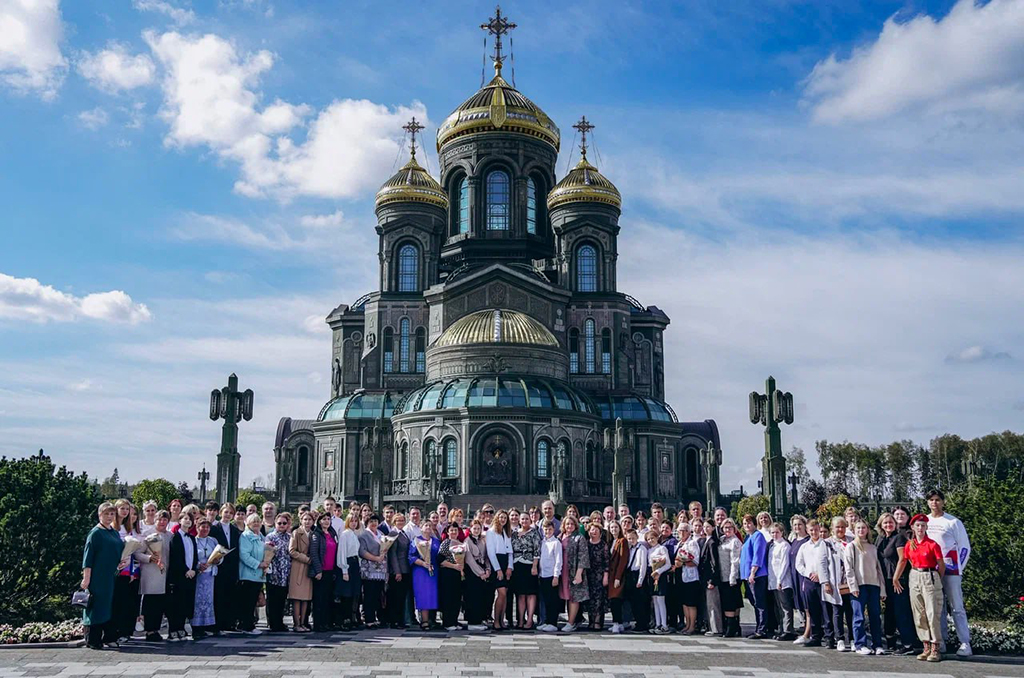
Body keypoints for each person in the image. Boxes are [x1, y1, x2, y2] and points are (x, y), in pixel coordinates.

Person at [925, 488, 972, 656]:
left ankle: (965, 642)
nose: (934, 503)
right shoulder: (925, 521)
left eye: (937, 499)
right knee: (937, 607)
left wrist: (959, 568)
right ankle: (940, 642)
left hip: (952, 571)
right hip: (932, 570)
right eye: (931, 500)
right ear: (927, 502)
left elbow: (964, 547)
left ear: (943, 502)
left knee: (957, 607)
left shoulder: (953, 522)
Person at [897, 513, 945, 662]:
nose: (920, 528)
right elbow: (905, 561)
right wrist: (896, 577)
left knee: (932, 612)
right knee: (919, 614)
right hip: (915, 575)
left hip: (929, 575)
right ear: (912, 527)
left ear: (926, 527)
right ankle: (926, 645)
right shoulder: (910, 545)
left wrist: (936, 578)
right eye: (917, 525)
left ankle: (935, 647)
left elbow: (941, 565)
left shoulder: (932, 544)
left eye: (923, 525)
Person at [81, 502, 125, 649]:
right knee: (97, 607)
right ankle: (93, 639)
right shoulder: (95, 533)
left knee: (111, 606)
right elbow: (88, 557)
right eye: (106, 514)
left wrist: (122, 563)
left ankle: (110, 637)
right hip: (98, 577)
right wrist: (86, 578)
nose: (109, 517)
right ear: (100, 515)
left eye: (112, 514)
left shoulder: (114, 532)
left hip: (112, 576)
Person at [875, 511, 918, 654]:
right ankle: (891, 642)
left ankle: (908, 644)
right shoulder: (880, 539)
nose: (888, 525)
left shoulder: (899, 537)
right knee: (889, 612)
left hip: (898, 581)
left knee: (901, 612)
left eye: (891, 522)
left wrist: (896, 578)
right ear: (881, 525)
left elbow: (903, 559)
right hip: (886, 580)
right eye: (885, 522)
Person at [844, 519, 886, 655]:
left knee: (875, 616)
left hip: (873, 585)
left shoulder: (873, 548)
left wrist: (882, 589)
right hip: (859, 586)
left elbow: (878, 569)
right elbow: (849, 568)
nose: (861, 530)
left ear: (868, 530)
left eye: (863, 528)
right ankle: (860, 644)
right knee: (859, 616)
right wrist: (853, 586)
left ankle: (877, 644)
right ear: (854, 530)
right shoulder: (851, 547)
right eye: (858, 528)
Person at [137, 509, 172, 642]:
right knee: (151, 603)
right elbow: (137, 553)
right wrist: (149, 558)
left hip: (165, 574)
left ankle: (156, 629)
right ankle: (150, 631)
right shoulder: (147, 534)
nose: (162, 522)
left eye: (165, 520)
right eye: (159, 519)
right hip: (151, 574)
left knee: (160, 604)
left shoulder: (170, 536)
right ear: (155, 520)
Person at [112, 500, 142, 642]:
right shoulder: (113, 528)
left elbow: (130, 552)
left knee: (126, 603)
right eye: (122, 508)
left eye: (127, 509)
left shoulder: (127, 528)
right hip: (115, 570)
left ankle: (124, 631)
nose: (125, 511)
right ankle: (115, 632)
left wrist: (131, 572)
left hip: (127, 570)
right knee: (117, 602)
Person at [794, 519, 827, 647]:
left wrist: (820, 575)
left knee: (826, 609)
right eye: (811, 530)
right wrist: (809, 574)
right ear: (807, 531)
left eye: (816, 530)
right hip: (809, 580)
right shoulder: (804, 546)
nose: (814, 532)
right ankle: (815, 636)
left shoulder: (825, 544)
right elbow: (799, 564)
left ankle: (829, 636)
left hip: (823, 580)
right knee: (812, 609)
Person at [167, 512, 198, 641]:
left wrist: (194, 569)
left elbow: (194, 556)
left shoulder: (192, 538)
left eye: (190, 519)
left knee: (186, 603)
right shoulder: (175, 537)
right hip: (179, 576)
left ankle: (181, 628)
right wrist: (185, 570)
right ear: (180, 521)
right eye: (185, 519)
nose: (188, 521)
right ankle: (173, 629)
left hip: (191, 575)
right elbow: (176, 557)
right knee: (176, 603)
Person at [210, 502, 241, 633]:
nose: (228, 515)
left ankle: (229, 623)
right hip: (219, 565)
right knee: (219, 595)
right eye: (226, 512)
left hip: (231, 566)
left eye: (230, 513)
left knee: (231, 594)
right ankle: (218, 623)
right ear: (221, 512)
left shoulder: (235, 530)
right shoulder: (214, 528)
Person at [822, 517, 850, 650]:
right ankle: (840, 639)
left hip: (850, 582)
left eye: (843, 527)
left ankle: (853, 639)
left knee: (851, 611)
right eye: (837, 527)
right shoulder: (827, 543)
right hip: (835, 582)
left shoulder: (851, 541)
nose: (840, 529)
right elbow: (822, 564)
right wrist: (826, 582)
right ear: (832, 529)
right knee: (837, 611)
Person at [739, 514, 770, 639]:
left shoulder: (758, 536)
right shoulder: (748, 537)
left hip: (756, 575)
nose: (747, 525)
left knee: (760, 603)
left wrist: (753, 572)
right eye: (744, 523)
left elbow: (758, 555)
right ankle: (758, 627)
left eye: (749, 523)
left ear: (754, 523)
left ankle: (762, 629)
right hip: (747, 576)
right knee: (754, 602)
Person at [237, 513, 267, 635]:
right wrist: (258, 564)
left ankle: (248, 624)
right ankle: (247, 626)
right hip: (248, 574)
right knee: (247, 602)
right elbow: (244, 555)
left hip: (258, 575)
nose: (256, 524)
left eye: (258, 521)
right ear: (248, 524)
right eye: (253, 522)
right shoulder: (245, 536)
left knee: (253, 601)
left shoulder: (261, 537)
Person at [559, 515, 590, 632]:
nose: (569, 526)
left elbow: (583, 556)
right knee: (567, 596)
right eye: (567, 524)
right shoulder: (559, 537)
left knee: (574, 597)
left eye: (572, 524)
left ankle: (571, 622)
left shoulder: (579, 538)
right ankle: (573, 620)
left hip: (573, 571)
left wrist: (579, 573)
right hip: (562, 570)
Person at [308, 511, 338, 632]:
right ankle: (318, 624)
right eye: (324, 519)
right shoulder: (316, 534)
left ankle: (327, 622)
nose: (326, 521)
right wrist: (318, 570)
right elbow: (314, 554)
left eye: (328, 519)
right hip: (321, 571)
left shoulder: (332, 533)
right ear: (319, 521)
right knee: (319, 599)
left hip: (330, 570)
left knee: (328, 598)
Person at [512, 511, 541, 629]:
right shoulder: (514, 533)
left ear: (530, 520)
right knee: (520, 595)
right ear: (519, 520)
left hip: (529, 565)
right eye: (522, 519)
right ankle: (520, 620)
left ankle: (529, 620)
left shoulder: (534, 533)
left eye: (526, 519)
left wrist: (534, 566)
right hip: (517, 566)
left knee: (531, 594)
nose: (524, 521)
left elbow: (537, 551)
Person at [409, 521, 441, 630]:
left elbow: (440, 555)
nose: (428, 527)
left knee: (433, 595)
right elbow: (411, 556)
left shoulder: (436, 541)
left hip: (434, 571)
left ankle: (433, 620)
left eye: (430, 525)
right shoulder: (416, 540)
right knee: (423, 595)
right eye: (426, 525)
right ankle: (424, 620)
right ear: (421, 528)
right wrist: (423, 563)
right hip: (421, 572)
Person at [767, 522, 796, 641]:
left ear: (782, 532)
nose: (775, 534)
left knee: (785, 606)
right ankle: (781, 628)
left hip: (783, 580)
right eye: (772, 532)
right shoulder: (772, 546)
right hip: (773, 580)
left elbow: (784, 564)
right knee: (778, 606)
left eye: (777, 532)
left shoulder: (784, 545)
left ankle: (788, 630)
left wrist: (780, 579)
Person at [265, 512, 292, 633]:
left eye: (284, 523)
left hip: (285, 573)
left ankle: (280, 622)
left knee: (282, 599)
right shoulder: (270, 537)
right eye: (279, 523)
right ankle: (272, 623)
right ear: (275, 524)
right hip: (274, 572)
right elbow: (267, 554)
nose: (281, 525)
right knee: (272, 599)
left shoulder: (289, 537)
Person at [358, 514, 388, 628]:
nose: (374, 523)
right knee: (369, 595)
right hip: (369, 570)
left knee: (379, 595)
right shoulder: (363, 535)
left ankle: (379, 618)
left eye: (375, 521)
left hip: (381, 570)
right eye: (371, 521)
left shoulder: (381, 534)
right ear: (367, 523)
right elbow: (362, 551)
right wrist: (376, 558)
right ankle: (369, 619)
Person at [192, 517, 219, 640]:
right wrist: (198, 565)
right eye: (203, 527)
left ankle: (207, 626)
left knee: (208, 601)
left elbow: (219, 554)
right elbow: (191, 556)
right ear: (197, 528)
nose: (205, 529)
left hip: (210, 574)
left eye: (207, 527)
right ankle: (196, 627)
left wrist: (218, 560)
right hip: (199, 574)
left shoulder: (213, 540)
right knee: (198, 601)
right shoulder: (194, 541)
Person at [487, 509, 514, 630]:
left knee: (505, 594)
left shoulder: (506, 532)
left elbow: (510, 552)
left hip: (505, 563)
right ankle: (496, 620)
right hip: (496, 564)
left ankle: (502, 620)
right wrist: (497, 569)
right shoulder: (491, 532)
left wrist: (510, 567)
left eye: (505, 518)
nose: (503, 520)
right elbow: (491, 553)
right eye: (501, 517)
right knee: (501, 593)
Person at [288, 511, 314, 632]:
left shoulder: (313, 534)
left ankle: (303, 622)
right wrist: (306, 559)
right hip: (298, 566)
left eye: (309, 519)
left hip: (309, 568)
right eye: (305, 519)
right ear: (301, 520)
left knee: (306, 597)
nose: (307, 522)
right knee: (297, 597)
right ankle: (296, 624)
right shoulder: (296, 533)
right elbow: (292, 551)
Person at [336, 512, 363, 630]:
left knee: (354, 593)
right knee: (346, 594)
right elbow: (342, 553)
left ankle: (352, 618)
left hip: (355, 564)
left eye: (356, 521)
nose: (354, 523)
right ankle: (345, 619)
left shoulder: (354, 534)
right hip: (347, 564)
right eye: (351, 521)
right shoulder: (345, 534)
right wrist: (344, 570)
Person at [536, 518, 563, 632]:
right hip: (543, 574)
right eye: (545, 529)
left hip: (552, 575)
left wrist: (556, 575)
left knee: (553, 600)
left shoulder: (556, 543)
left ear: (554, 530)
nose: (547, 531)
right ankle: (546, 621)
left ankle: (553, 623)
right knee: (546, 600)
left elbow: (558, 560)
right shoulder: (542, 542)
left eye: (550, 529)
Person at [463, 518, 491, 631]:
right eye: (474, 528)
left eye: (478, 528)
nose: (476, 530)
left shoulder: (482, 541)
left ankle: (479, 620)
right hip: (473, 572)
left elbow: (486, 556)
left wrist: (488, 569)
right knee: (473, 597)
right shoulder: (467, 541)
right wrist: (480, 573)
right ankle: (472, 621)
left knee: (480, 597)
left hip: (483, 569)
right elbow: (469, 560)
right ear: (470, 529)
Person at [386, 512, 412, 629]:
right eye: (398, 520)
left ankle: (401, 620)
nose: (401, 522)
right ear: (394, 522)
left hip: (406, 568)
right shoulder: (393, 533)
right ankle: (394, 621)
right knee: (396, 597)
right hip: (398, 570)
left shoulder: (403, 533)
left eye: (402, 520)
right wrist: (397, 571)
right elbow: (392, 554)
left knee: (402, 597)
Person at [787, 515, 811, 644]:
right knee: (801, 604)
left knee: (807, 604)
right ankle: (806, 629)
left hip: (804, 576)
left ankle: (808, 632)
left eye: (799, 524)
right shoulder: (794, 541)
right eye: (795, 525)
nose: (797, 527)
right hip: (795, 576)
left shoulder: (808, 540)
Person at [717, 518, 743, 637]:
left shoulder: (735, 542)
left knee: (730, 602)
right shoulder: (722, 540)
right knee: (730, 601)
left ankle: (731, 628)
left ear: (734, 528)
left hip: (731, 576)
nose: (727, 530)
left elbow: (735, 561)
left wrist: (732, 577)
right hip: (722, 575)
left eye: (730, 527)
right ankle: (735, 627)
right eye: (725, 527)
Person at [674, 522, 700, 634]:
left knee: (691, 603)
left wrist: (683, 562)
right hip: (681, 577)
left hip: (691, 577)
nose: (682, 532)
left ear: (689, 532)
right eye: (680, 530)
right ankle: (687, 624)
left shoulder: (692, 543)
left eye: (685, 530)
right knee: (684, 603)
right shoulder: (679, 544)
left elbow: (695, 561)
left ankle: (692, 626)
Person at [438, 523, 465, 631]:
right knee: (448, 598)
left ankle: (454, 620)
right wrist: (454, 566)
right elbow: (440, 560)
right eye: (451, 530)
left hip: (457, 574)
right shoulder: (446, 543)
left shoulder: (460, 543)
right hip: (448, 573)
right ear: (448, 532)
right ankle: (447, 622)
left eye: (455, 530)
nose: (454, 532)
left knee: (456, 598)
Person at [584, 521, 609, 631]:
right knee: (590, 599)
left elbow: (606, 562)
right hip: (588, 574)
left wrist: (606, 575)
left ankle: (598, 622)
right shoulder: (586, 543)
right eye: (591, 530)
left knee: (599, 598)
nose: (593, 532)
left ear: (600, 532)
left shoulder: (603, 545)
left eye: (596, 530)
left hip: (600, 574)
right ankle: (591, 621)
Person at [699, 519, 722, 636]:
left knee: (713, 604)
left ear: (713, 528)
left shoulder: (712, 542)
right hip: (705, 577)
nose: (705, 529)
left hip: (710, 578)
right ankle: (712, 627)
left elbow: (714, 562)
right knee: (709, 604)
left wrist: (712, 580)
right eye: (704, 527)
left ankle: (716, 628)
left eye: (708, 527)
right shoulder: (706, 540)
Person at [624, 528, 650, 633]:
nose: (631, 540)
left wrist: (640, 580)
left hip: (638, 574)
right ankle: (638, 622)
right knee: (633, 601)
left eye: (633, 538)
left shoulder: (641, 548)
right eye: (629, 538)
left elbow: (643, 565)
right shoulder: (630, 549)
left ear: (637, 537)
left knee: (640, 601)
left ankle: (642, 624)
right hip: (630, 574)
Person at [646, 528, 671, 634]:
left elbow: (668, 564)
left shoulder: (662, 548)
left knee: (661, 600)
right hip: (651, 576)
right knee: (655, 600)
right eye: (648, 539)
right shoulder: (649, 550)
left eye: (652, 538)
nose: (651, 540)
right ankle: (658, 623)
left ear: (657, 538)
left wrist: (658, 571)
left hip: (660, 576)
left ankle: (664, 625)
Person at [607, 520, 629, 633]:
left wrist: (618, 577)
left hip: (617, 575)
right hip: (610, 575)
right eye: (611, 528)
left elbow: (623, 560)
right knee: (613, 600)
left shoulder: (622, 541)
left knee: (615, 599)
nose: (613, 529)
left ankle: (616, 623)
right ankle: (619, 623)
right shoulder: (611, 541)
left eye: (616, 527)